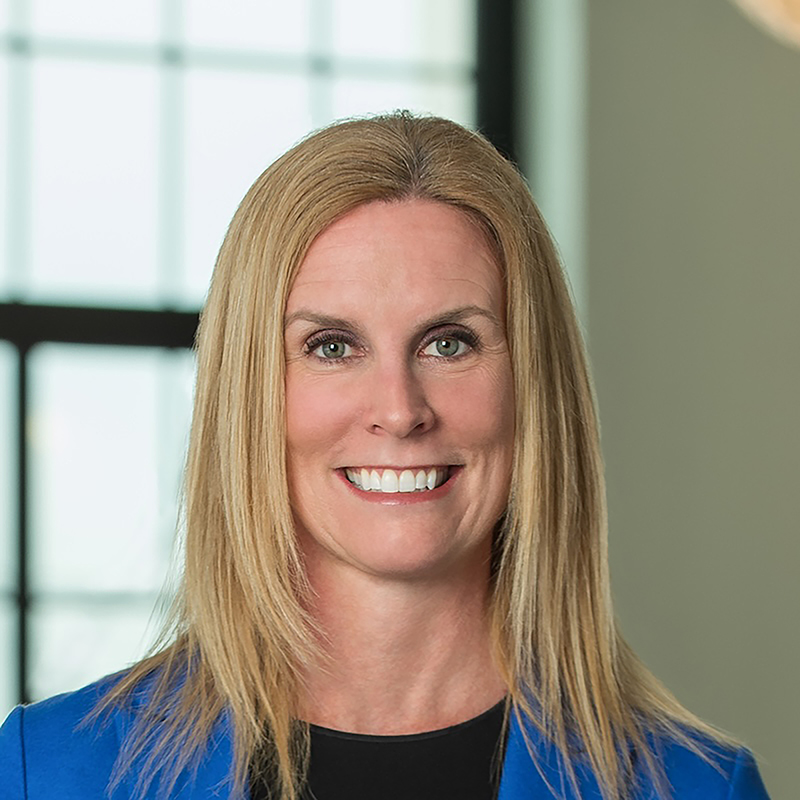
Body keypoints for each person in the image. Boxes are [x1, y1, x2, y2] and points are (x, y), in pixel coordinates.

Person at [0, 113, 770, 800]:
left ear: (533, 384)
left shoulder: (696, 786)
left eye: (450, 342)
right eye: (332, 346)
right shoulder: (49, 771)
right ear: (250, 393)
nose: (400, 410)